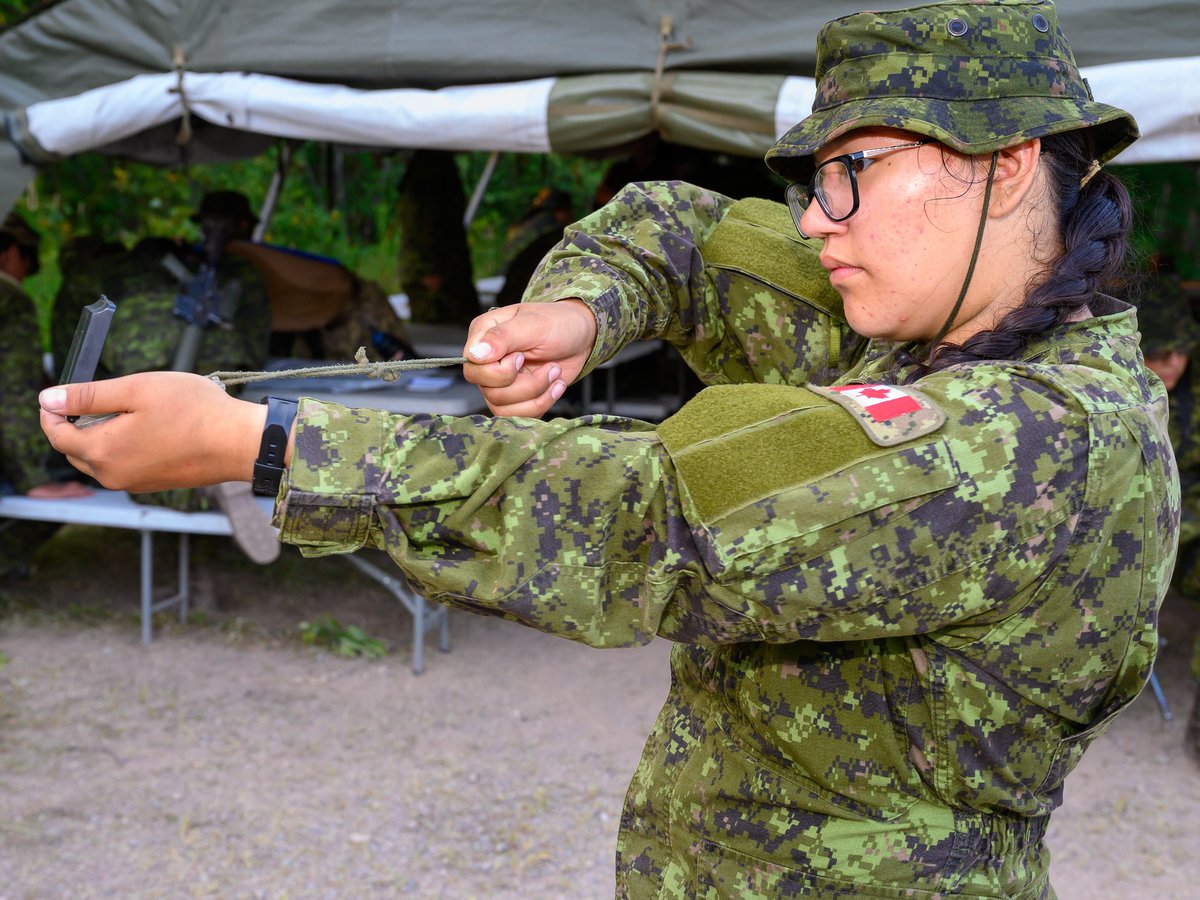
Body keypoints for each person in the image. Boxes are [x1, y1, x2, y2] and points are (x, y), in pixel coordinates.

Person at [39, 2, 1176, 896]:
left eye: (854, 173)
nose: (819, 218)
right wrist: (577, 314)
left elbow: (648, 518)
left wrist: (263, 444)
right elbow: (680, 230)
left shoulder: (1038, 442)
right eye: (814, 180)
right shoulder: (928, 316)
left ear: (1009, 162)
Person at [0, 213, 91, 581]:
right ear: (8, 252)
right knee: (78, 473)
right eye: (29, 261)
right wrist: (33, 479)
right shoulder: (9, 297)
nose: (28, 272)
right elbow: (13, 391)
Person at [1135, 264, 1200, 760]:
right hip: (1130, 526)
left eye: (1181, 350)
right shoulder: (1115, 392)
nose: (1173, 363)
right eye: (1160, 352)